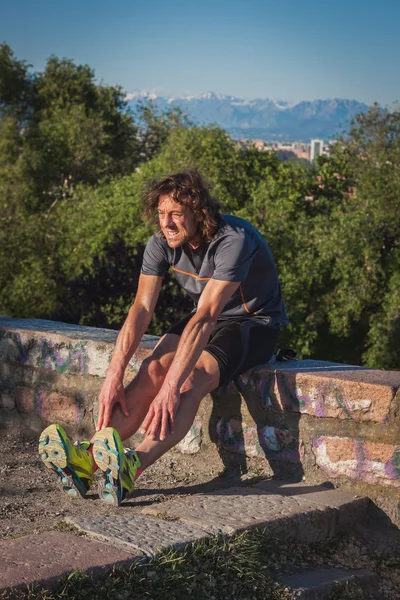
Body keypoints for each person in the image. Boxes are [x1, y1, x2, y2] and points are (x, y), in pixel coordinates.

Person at [38, 168, 289, 506]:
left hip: (253, 322)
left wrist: (171, 387)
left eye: (176, 214)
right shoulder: (160, 243)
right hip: (207, 316)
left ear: (199, 212)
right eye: (161, 214)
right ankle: (87, 462)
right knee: (151, 370)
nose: (167, 223)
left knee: (189, 380)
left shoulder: (233, 240)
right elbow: (141, 308)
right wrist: (113, 374)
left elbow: (207, 315)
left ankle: (132, 466)